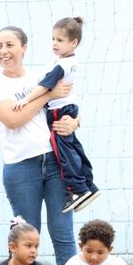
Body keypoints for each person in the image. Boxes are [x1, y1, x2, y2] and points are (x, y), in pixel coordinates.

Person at [0, 25, 79, 265]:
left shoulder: (41, 77)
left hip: (54, 162)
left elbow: (68, 105)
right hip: (21, 168)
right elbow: (13, 119)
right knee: (25, 237)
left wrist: (75, 122)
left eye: (9, 45)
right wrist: (47, 95)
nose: (3, 51)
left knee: (63, 231)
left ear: (23, 48)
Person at [13, 17, 100, 213]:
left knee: (63, 150)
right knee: (73, 146)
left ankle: (78, 188)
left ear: (74, 43)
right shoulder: (66, 61)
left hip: (60, 111)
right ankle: (88, 185)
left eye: (60, 40)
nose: (54, 44)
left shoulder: (61, 65)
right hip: (67, 108)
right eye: (53, 39)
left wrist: (26, 100)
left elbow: (45, 86)